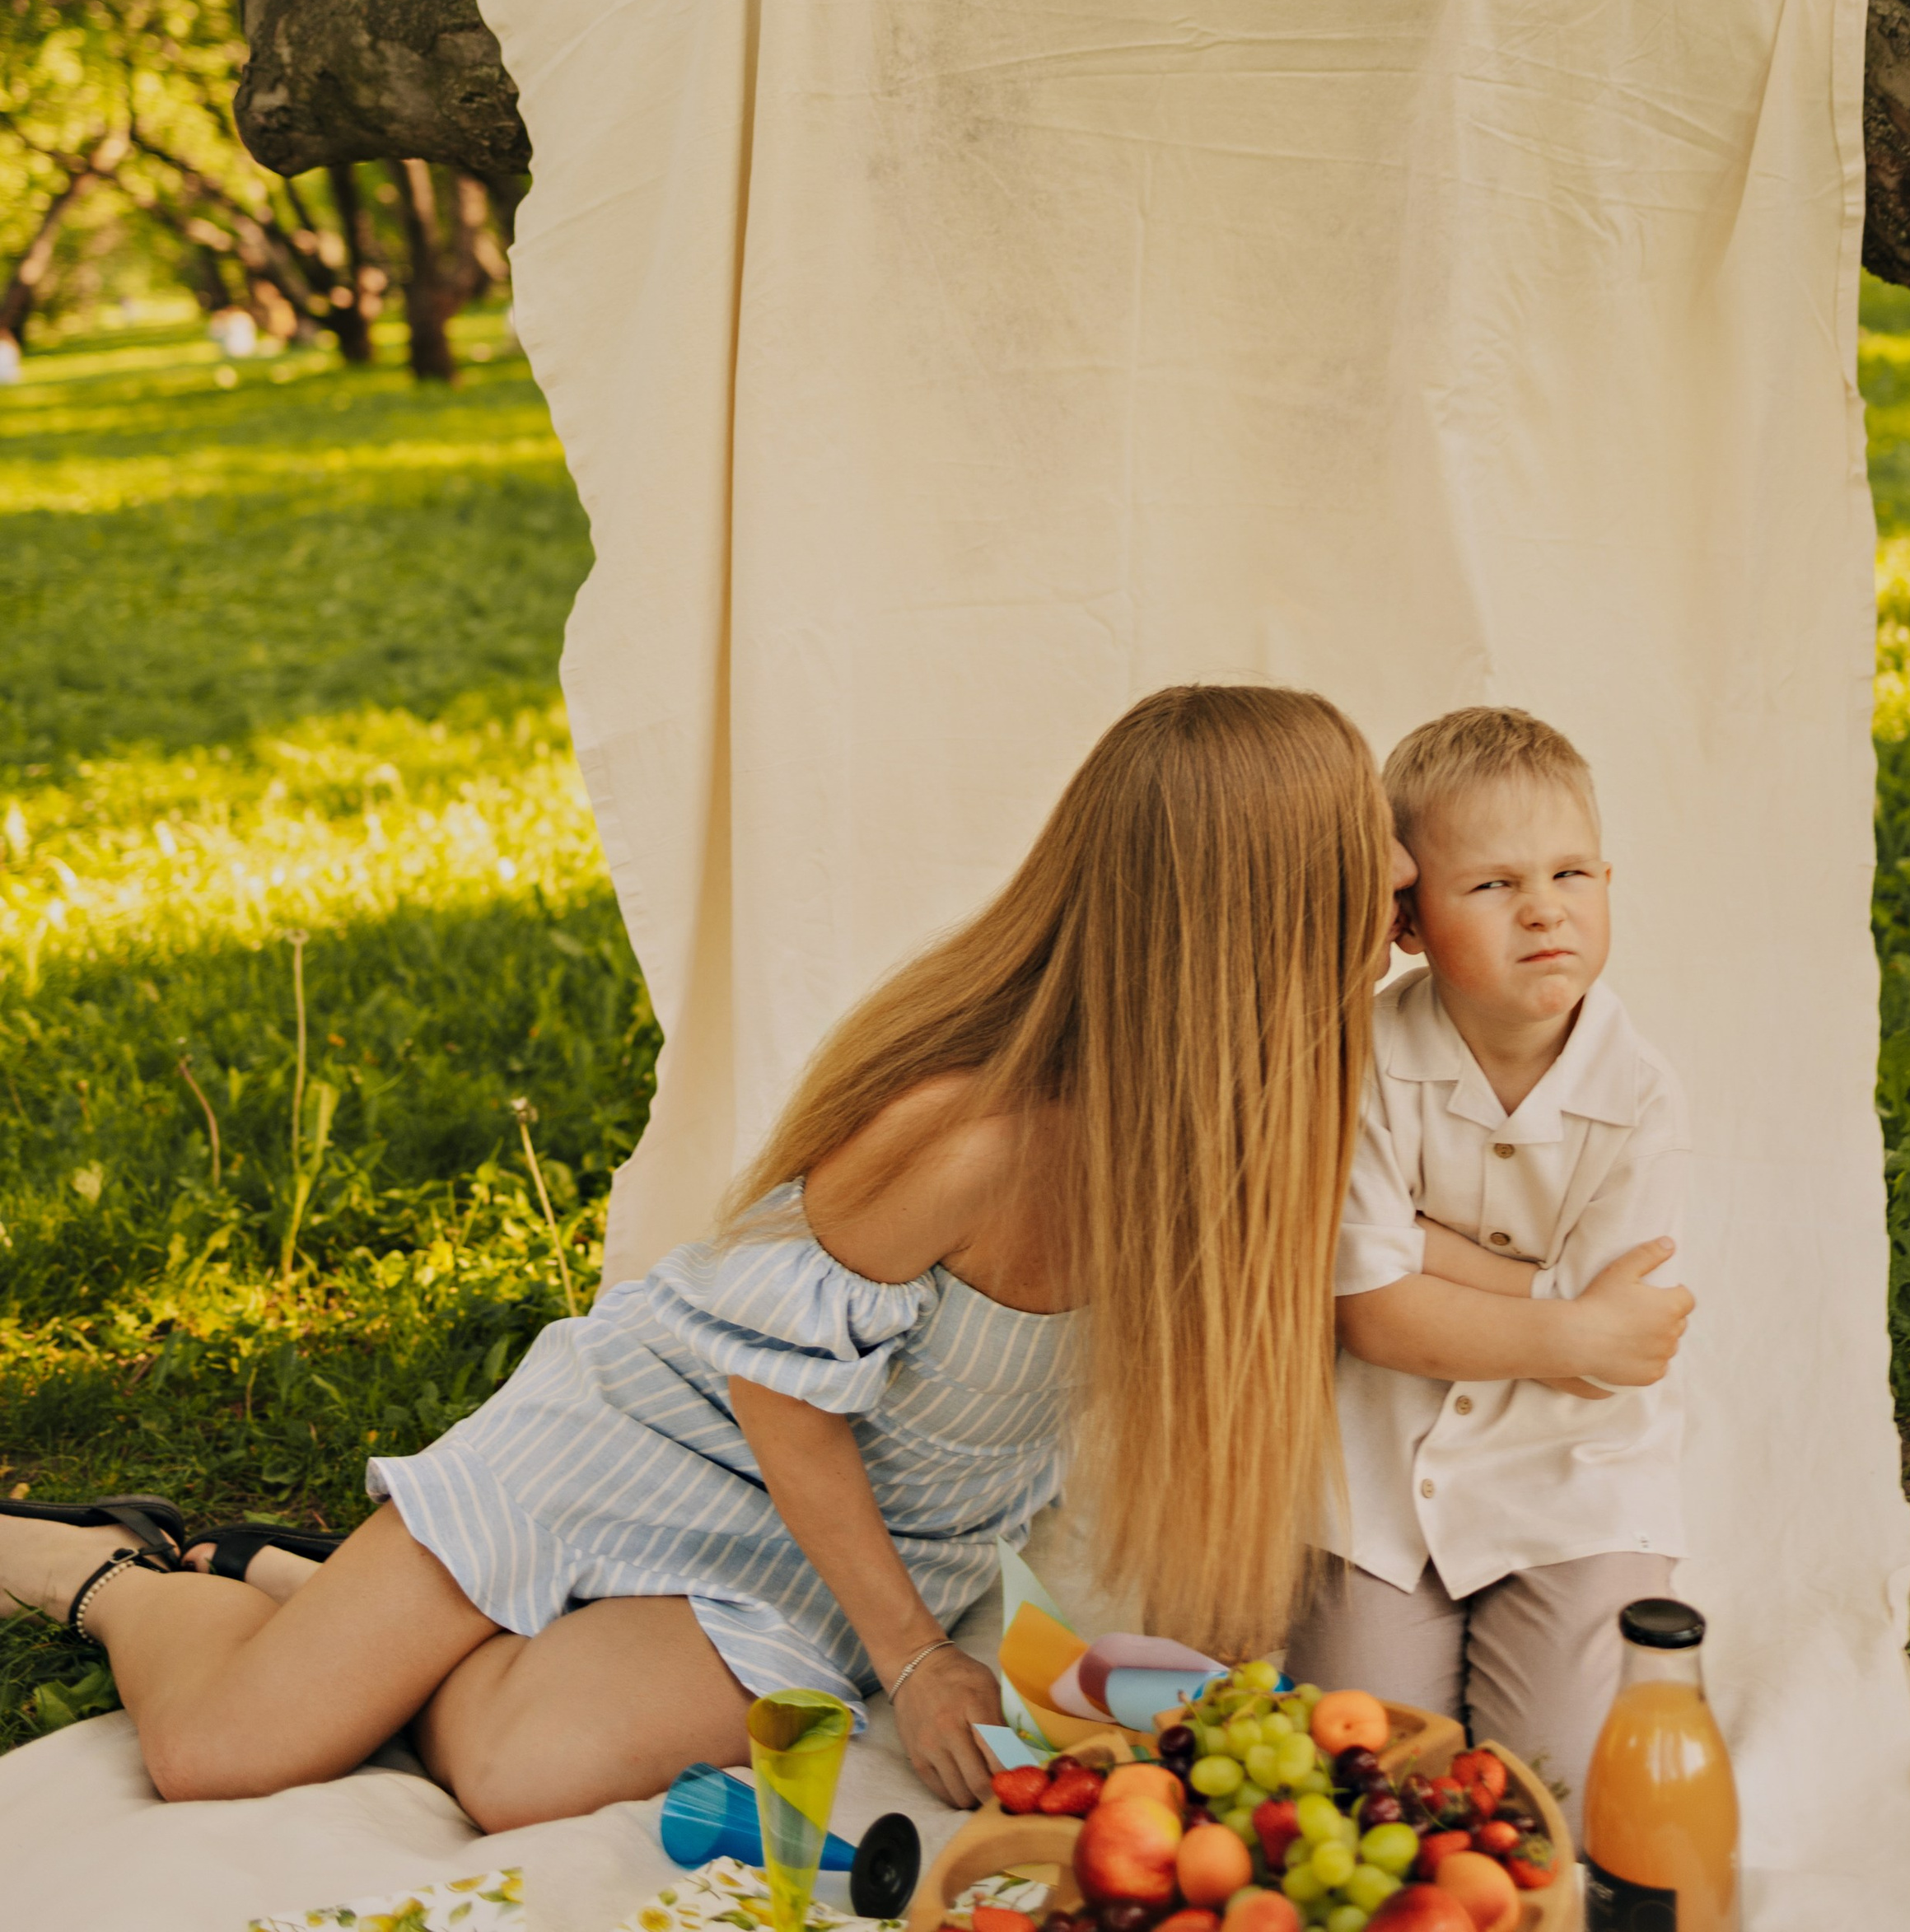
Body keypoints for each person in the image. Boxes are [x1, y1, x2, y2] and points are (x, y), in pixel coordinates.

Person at [0, 684, 1391, 1832]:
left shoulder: (1259, 1114)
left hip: (851, 1544)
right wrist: (915, 1661)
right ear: (1254, 907)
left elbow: (1396, 1283)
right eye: (1365, 847)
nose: (1396, 876)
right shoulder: (973, 1137)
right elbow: (775, 1395)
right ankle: (124, 1572)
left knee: (518, 1775)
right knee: (222, 1755)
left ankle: (312, 1591)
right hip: (660, 1440)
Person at [1288, 706, 1694, 1801]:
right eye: (1493, 884)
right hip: (1381, 1474)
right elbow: (1373, 1316)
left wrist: (1422, 1250)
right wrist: (1566, 1314)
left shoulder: (1643, 1096)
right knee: (1363, 1775)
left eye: (1571, 875)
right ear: (1411, 921)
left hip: (1574, 1476)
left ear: (1607, 882)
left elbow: (1616, 1357)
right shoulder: (1363, 1059)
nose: (1544, 909)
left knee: (1551, 1789)